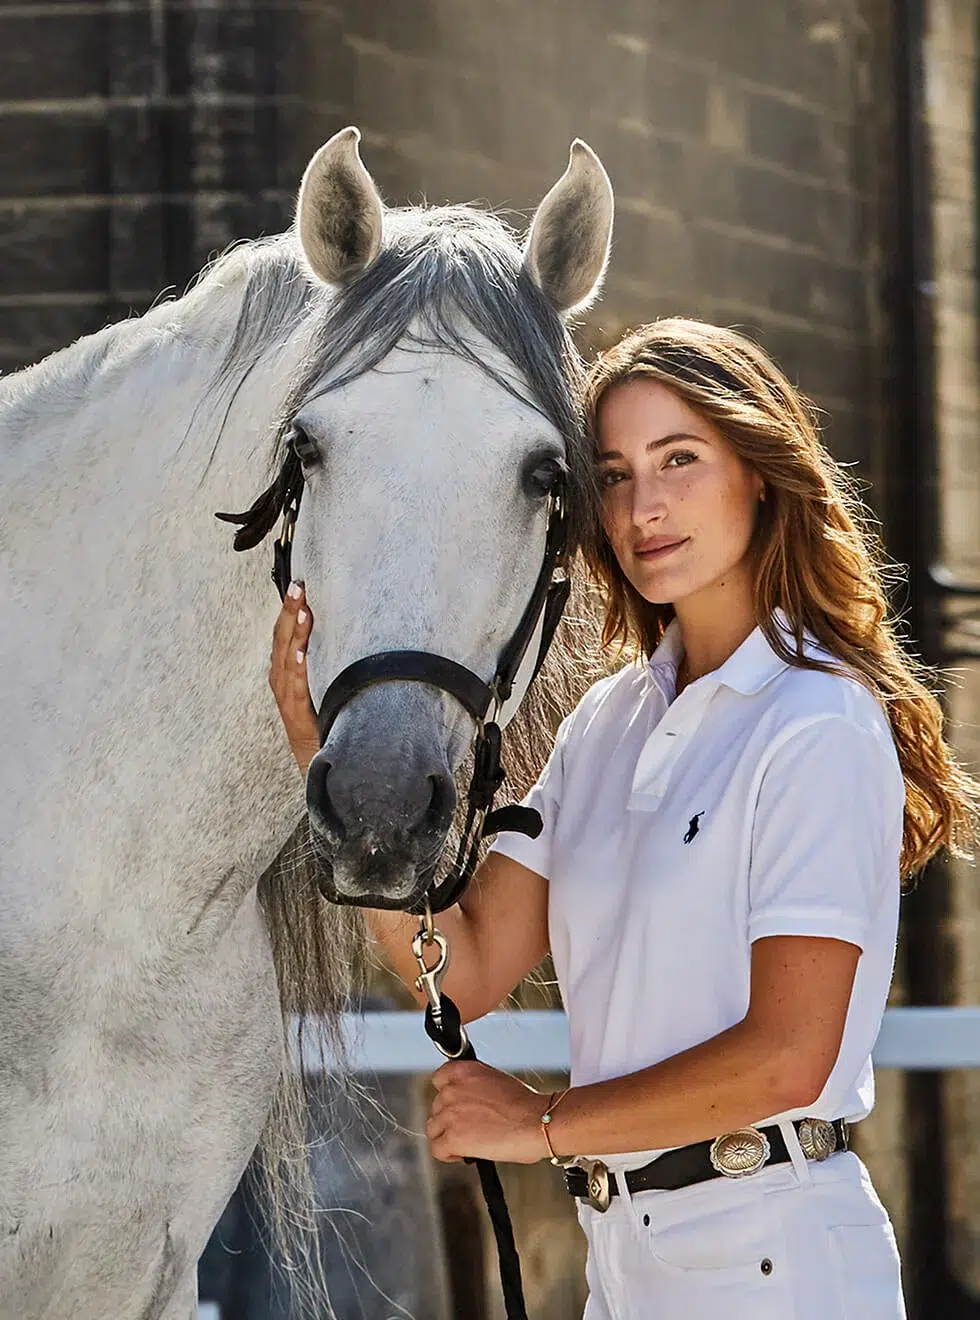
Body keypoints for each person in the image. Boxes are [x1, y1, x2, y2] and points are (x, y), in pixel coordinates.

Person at [268, 318, 978, 1319]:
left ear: (758, 473)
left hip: (776, 1262)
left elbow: (787, 1056)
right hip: (624, 1268)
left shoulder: (814, 719)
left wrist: (539, 1123)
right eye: (612, 474)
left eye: (678, 460)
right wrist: (323, 763)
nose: (642, 506)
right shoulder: (604, 725)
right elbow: (464, 972)